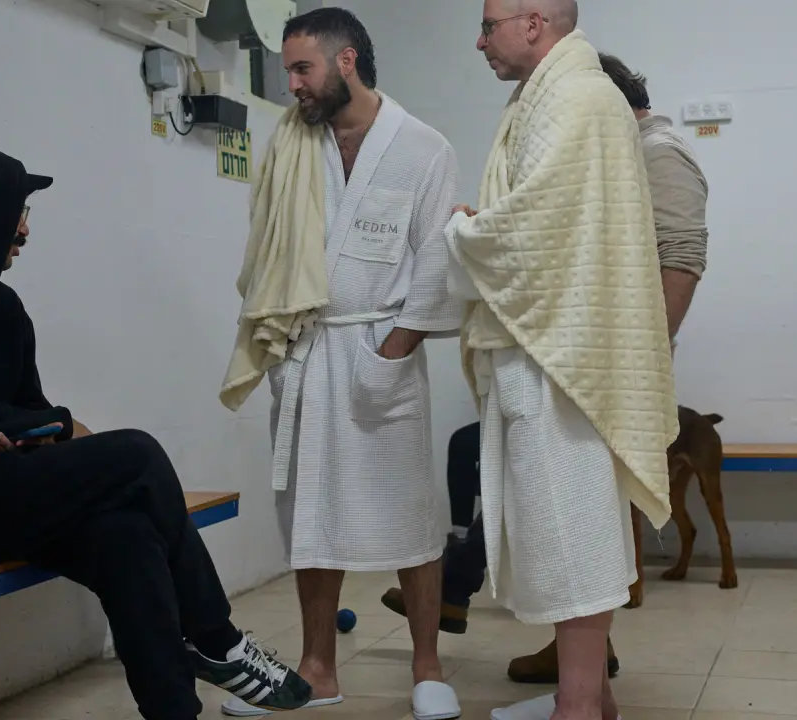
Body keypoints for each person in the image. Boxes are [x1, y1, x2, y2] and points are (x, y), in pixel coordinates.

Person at [0, 136, 313, 720]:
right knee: (136, 455)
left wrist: (29, 427)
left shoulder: (3, 308)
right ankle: (217, 637)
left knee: (127, 536)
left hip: (7, 494)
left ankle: (176, 712)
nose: (24, 229)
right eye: (15, 212)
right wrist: (39, 424)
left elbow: (23, 411)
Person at [380, 50, 710, 689]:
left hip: (605, 360)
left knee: (574, 505)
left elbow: (680, 258)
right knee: (544, 490)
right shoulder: (609, 150)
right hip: (571, 350)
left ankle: (546, 644)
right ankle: (571, 656)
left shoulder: (658, 153)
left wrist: (641, 358)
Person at [218, 8, 463, 719]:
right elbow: (270, 244)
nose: (292, 84)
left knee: (411, 513)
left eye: (303, 69)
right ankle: (318, 669)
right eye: (289, 71)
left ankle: (427, 667)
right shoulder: (293, 141)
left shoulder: (423, 148)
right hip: (307, 352)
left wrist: (394, 351)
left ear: (346, 60)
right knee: (310, 515)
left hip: (381, 350)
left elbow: (435, 261)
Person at [446, 1, 680, 718]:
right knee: (560, 526)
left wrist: (464, 232)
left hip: (560, 359)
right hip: (549, 346)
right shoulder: (556, 96)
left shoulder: (576, 97)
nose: (479, 41)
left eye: (488, 25)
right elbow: (549, 218)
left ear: (533, 23)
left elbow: (535, 229)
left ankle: (575, 708)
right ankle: (593, 700)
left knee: (572, 535)